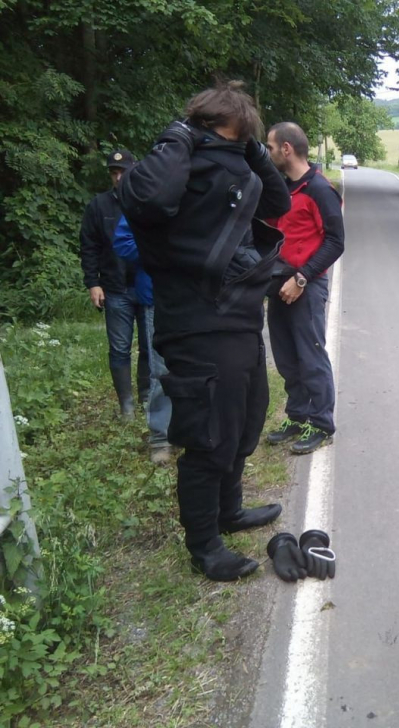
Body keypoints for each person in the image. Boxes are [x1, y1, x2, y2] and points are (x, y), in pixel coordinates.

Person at [117, 81, 291, 581]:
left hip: (236, 316)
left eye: (245, 138)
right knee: (208, 435)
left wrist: (254, 151)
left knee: (245, 418)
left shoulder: (235, 162)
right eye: (232, 134)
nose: (237, 144)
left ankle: (229, 511)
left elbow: (276, 201)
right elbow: (147, 202)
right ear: (205, 124)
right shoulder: (173, 167)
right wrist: (179, 138)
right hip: (195, 320)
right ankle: (204, 545)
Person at [262, 121, 344, 454]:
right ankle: (297, 416)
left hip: (305, 286)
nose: (266, 152)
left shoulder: (319, 190)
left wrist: (301, 278)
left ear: (286, 148)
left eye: (269, 146)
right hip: (277, 284)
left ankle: (322, 423)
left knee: (310, 354)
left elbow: (336, 242)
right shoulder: (282, 190)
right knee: (285, 356)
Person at [79, 149, 152, 418]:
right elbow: (89, 246)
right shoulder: (98, 206)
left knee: (149, 346)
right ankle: (126, 405)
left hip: (146, 287)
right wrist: (92, 283)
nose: (119, 177)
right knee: (119, 348)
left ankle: (146, 397)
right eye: (114, 172)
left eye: (123, 171)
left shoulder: (147, 202)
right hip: (114, 287)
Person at [112, 214, 173, 465]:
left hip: (195, 297)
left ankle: (189, 430)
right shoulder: (145, 200)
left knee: (196, 365)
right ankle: (160, 437)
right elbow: (122, 242)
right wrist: (162, 249)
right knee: (160, 369)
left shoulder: (198, 191)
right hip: (155, 297)